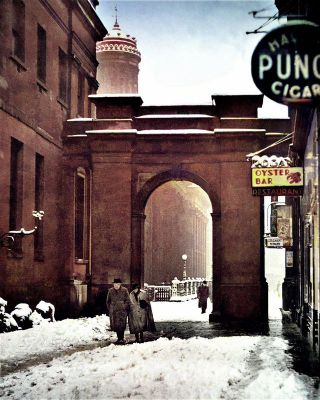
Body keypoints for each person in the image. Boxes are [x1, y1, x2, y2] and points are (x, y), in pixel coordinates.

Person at [106, 278, 131, 344]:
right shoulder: (110, 291)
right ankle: (119, 338)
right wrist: (111, 308)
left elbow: (128, 300)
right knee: (116, 325)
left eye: (117, 284)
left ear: (120, 284)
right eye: (115, 284)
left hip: (122, 311)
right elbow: (108, 301)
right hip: (114, 311)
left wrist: (124, 306)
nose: (116, 286)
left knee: (122, 324)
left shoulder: (124, 290)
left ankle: (121, 338)